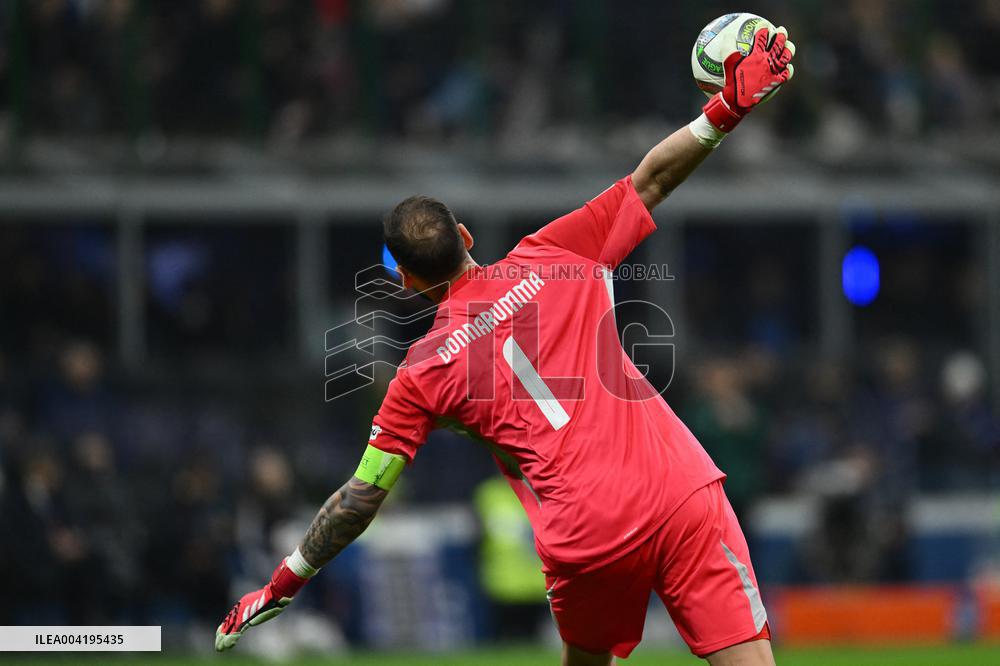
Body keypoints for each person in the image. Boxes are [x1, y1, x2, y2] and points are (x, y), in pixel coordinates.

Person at [216, 26, 795, 666]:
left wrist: (281, 583)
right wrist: (727, 109)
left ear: (406, 282)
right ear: (464, 236)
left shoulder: (420, 374)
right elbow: (651, 179)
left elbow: (360, 497)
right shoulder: (555, 254)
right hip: (680, 493)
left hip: (586, 538)